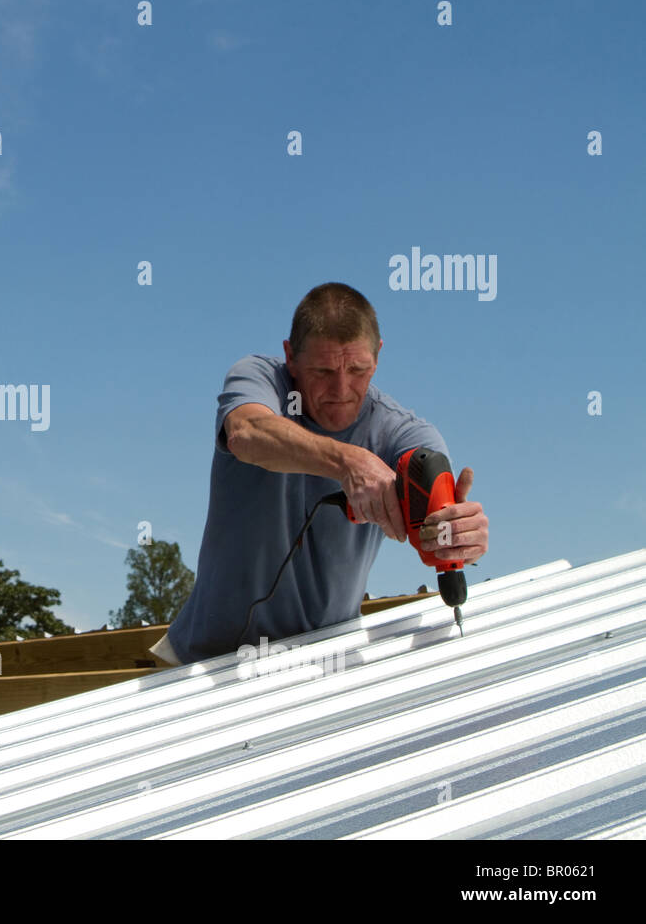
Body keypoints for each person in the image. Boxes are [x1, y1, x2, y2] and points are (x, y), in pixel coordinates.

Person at [152, 283, 488, 666]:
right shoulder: (260, 378)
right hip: (201, 661)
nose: (341, 389)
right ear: (290, 357)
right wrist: (348, 463)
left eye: (358, 370)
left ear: (377, 357)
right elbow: (247, 434)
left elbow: (436, 505)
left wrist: (453, 536)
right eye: (323, 371)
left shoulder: (404, 435)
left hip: (319, 670)